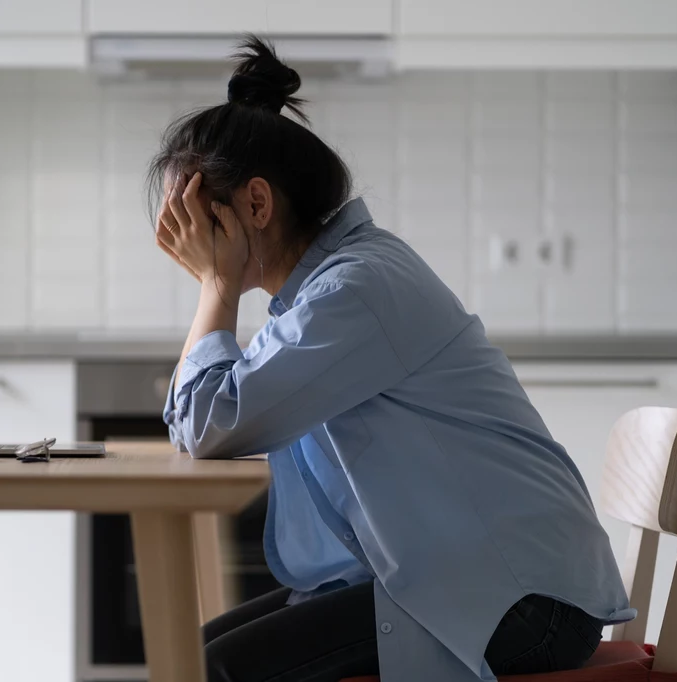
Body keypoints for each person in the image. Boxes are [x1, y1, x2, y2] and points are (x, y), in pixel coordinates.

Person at [152, 36, 634, 682]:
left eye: (196, 222)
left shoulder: (353, 292)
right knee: (189, 657)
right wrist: (218, 285)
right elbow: (199, 423)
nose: (187, 246)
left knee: (214, 669)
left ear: (256, 206)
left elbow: (207, 425)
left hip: (523, 602)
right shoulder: (319, 293)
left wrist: (215, 288)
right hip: (486, 581)